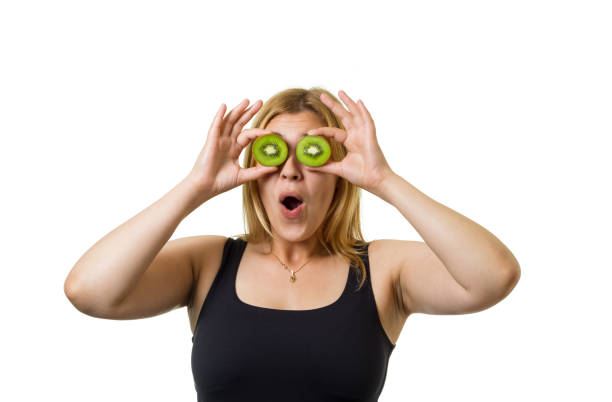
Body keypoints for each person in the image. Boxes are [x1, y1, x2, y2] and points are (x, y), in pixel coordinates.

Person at [64, 87, 521, 401]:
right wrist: (194, 187)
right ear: (256, 173)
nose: (290, 170)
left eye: (311, 152)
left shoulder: (382, 269)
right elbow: (89, 291)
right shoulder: (207, 262)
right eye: (274, 152)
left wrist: (385, 180)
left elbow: (493, 276)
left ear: (340, 174)